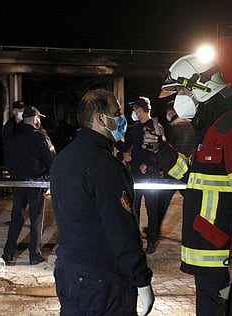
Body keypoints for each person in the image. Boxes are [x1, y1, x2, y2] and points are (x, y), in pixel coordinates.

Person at [143, 53, 232, 315]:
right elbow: (192, 176)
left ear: (202, 88)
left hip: (224, 259)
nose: (177, 98)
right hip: (212, 255)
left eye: (181, 90)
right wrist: (161, 149)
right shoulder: (213, 129)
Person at [50, 89, 154, 316]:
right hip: (103, 281)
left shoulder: (62, 159)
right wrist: (141, 279)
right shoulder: (106, 166)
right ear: (99, 119)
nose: (122, 119)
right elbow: (121, 230)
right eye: (116, 113)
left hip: (68, 273)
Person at [1, 105, 56, 266]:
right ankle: (34, 255)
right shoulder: (40, 137)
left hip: (17, 182)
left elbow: (7, 160)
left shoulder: (12, 137)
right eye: (39, 118)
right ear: (35, 119)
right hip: (35, 182)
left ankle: (8, 253)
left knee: (16, 218)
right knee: (36, 219)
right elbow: (52, 159)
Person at [122, 96, 164, 254]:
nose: (135, 112)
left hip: (151, 175)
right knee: (134, 208)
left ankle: (152, 241)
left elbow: (161, 149)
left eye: (136, 109)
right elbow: (126, 146)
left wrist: (147, 163)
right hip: (135, 175)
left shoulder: (156, 126)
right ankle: (135, 239)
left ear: (143, 109)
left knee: (152, 209)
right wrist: (125, 154)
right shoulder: (135, 129)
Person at [156, 102, 197, 230]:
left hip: (174, 168)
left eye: (168, 111)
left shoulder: (174, 126)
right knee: (192, 202)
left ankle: (155, 228)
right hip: (188, 169)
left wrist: (162, 168)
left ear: (172, 111)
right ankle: (197, 227)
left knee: (163, 202)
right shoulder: (192, 124)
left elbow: (168, 148)